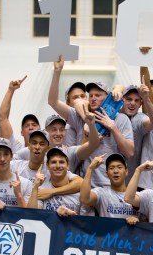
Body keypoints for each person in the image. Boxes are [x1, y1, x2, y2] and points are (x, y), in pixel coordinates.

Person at [47, 56, 133, 187]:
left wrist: (114, 128)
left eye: (98, 95)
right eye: (91, 95)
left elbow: (129, 152)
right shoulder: (80, 116)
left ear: (107, 98)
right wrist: (57, 72)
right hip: (86, 182)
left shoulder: (121, 119)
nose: (93, 99)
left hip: (111, 183)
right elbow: (53, 101)